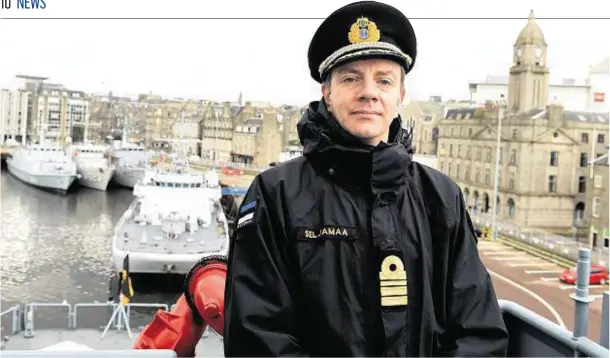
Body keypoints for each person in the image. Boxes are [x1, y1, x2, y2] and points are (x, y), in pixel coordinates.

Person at [223, 1, 509, 356]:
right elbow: (257, 336)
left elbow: (478, 329)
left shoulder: (440, 195)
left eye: (384, 80)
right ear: (326, 92)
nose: (369, 92)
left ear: (400, 96)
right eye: (351, 78)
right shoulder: (274, 195)